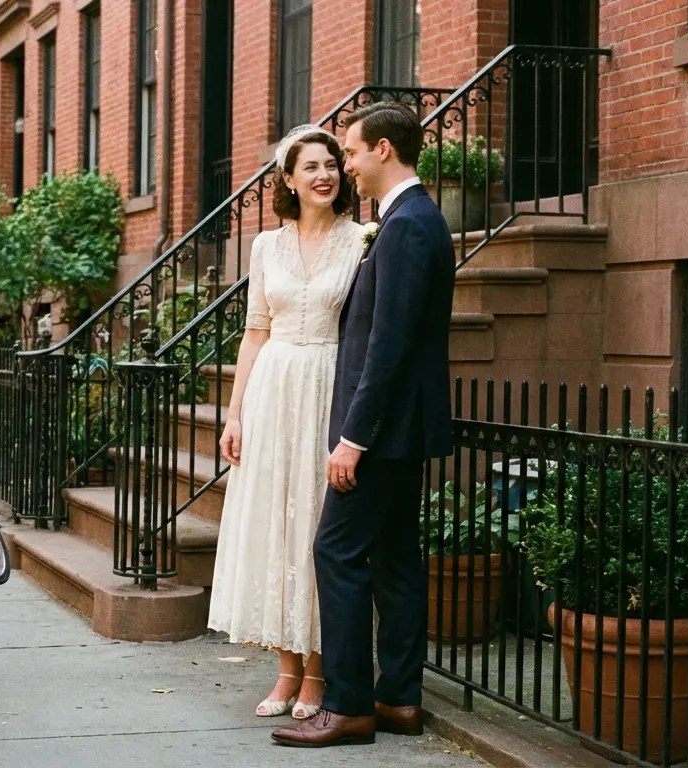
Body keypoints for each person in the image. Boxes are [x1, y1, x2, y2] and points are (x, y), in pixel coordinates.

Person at [271, 102, 455, 749]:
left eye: (349, 152)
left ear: (382, 149)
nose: (345, 164)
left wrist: (354, 438)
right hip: (404, 431)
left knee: (337, 552)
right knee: (397, 561)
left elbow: (390, 345)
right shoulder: (411, 219)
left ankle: (347, 705)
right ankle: (399, 699)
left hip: (383, 433)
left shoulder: (407, 226)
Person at [207, 124, 365, 720]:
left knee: (316, 526)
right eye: (311, 167)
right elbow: (254, 330)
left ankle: (319, 674)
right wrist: (235, 410)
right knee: (275, 523)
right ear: (289, 180)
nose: (325, 174)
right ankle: (284, 672)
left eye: (332, 164)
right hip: (272, 388)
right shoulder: (265, 247)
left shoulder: (360, 241)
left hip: (328, 385)